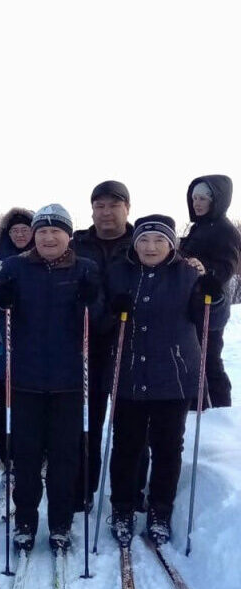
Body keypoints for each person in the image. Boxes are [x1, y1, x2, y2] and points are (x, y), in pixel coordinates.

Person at [105, 216, 228, 547]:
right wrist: (110, 309)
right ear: (135, 244)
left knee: (167, 448)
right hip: (129, 375)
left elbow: (212, 320)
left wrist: (214, 297)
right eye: (144, 241)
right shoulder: (119, 272)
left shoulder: (188, 274)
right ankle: (123, 507)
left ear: (171, 244)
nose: (150, 247)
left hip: (173, 377)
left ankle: (160, 509)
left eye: (159, 240)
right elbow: (100, 314)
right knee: (126, 446)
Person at [0, 203, 103, 553]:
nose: (49, 237)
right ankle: (25, 520)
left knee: (64, 458)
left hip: (69, 383)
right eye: (42, 231)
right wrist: (1, 300)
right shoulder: (15, 267)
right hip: (25, 381)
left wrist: (92, 302)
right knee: (24, 458)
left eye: (56, 231)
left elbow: (99, 320)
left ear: (69, 235)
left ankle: (60, 524)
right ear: (34, 237)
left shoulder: (85, 268)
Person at [70, 180, 134, 509]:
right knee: (88, 420)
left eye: (113, 204)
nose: (106, 212)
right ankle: (83, 488)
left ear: (127, 207)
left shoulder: (143, 242)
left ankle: (130, 493)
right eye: (100, 205)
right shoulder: (77, 243)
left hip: (132, 343)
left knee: (130, 425)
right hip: (87, 344)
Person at [0, 208, 34, 473]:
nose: (21, 234)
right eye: (15, 231)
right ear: (6, 235)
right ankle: (6, 454)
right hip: (6, 350)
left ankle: (37, 456)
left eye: (25, 229)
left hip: (37, 351)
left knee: (33, 407)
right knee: (5, 403)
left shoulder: (44, 260)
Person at [180, 175, 241, 408]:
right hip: (193, 303)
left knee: (209, 360)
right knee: (195, 359)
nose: (197, 203)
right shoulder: (200, 227)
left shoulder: (225, 230)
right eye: (194, 198)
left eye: (203, 198)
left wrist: (208, 271)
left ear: (217, 200)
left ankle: (221, 411)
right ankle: (198, 407)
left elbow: (227, 266)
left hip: (211, 305)